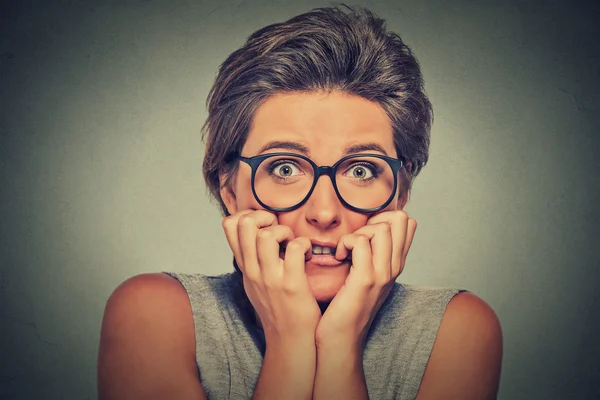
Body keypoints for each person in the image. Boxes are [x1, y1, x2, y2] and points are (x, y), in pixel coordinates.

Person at [97, 5, 503, 399]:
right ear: (228, 186)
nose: (324, 213)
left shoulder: (456, 329)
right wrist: (289, 340)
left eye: (361, 170)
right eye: (286, 168)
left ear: (400, 192)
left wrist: (341, 343)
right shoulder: (152, 315)